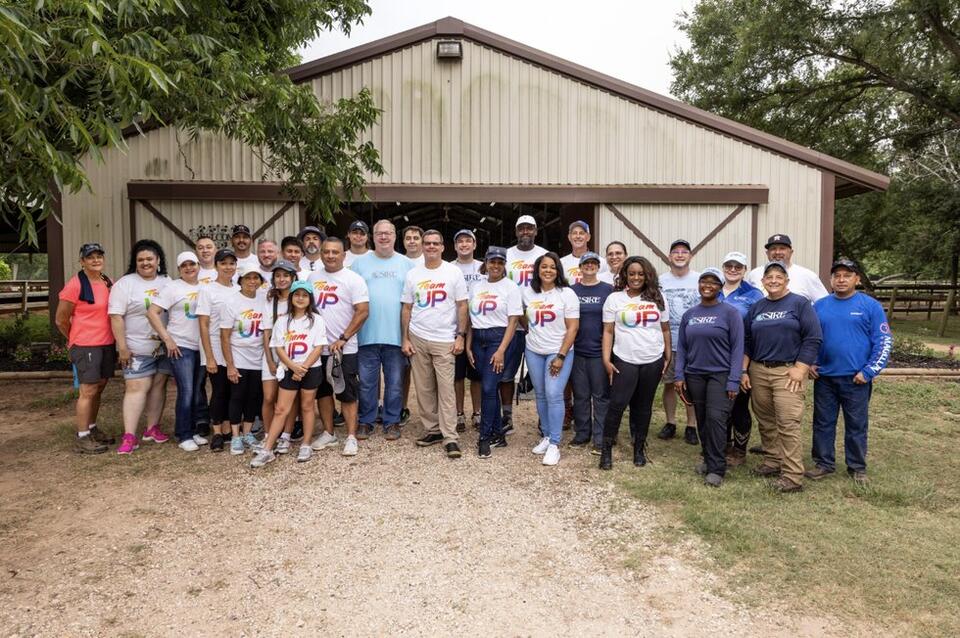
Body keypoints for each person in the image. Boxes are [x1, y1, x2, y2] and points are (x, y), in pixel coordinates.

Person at [807, 259, 893, 484]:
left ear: (857, 279)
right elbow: (811, 338)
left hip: (857, 379)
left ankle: (856, 467)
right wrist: (811, 363)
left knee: (856, 425)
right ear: (831, 280)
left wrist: (869, 371)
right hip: (825, 377)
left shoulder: (870, 306)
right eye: (837, 275)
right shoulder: (821, 306)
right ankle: (824, 463)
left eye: (847, 275)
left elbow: (883, 341)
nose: (841, 279)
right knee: (823, 423)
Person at [741, 261, 823, 493]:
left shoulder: (799, 304)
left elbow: (813, 337)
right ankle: (772, 460)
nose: (774, 280)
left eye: (779, 276)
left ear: (786, 281)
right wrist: (744, 370)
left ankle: (792, 475)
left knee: (787, 422)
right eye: (769, 277)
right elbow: (747, 341)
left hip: (788, 371)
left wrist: (801, 367)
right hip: (759, 370)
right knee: (766, 419)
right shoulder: (757, 307)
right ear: (763, 282)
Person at [674, 267, 744, 487]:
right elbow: (682, 347)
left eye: (713, 282)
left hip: (720, 375)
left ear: (720, 287)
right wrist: (679, 375)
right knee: (702, 418)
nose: (707, 285)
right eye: (704, 281)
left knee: (716, 419)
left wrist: (734, 379)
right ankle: (708, 458)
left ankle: (716, 468)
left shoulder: (730, 313)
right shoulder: (690, 314)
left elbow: (737, 348)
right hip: (694, 374)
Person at [402, 229, 469, 458]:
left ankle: (450, 436)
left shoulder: (453, 272)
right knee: (424, 388)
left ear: (442, 247)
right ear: (422, 247)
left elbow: (462, 305)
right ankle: (432, 429)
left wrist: (460, 335)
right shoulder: (413, 274)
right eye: (427, 243)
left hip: (444, 339)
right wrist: (405, 338)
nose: (431, 247)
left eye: (435, 243)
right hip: (418, 336)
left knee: (446, 389)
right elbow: (407, 307)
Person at [599, 256, 670, 470]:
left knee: (643, 407)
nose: (636, 277)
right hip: (625, 358)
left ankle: (639, 448)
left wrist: (668, 354)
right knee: (617, 405)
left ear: (647, 275)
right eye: (632, 274)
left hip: (652, 359)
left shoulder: (658, 297)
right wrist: (606, 359)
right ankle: (606, 450)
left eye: (640, 273)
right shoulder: (614, 299)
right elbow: (608, 331)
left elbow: (665, 328)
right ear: (625, 276)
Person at [251, 281, 327, 467]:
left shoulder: (316, 320)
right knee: (281, 409)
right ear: (291, 298)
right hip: (288, 369)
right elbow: (278, 347)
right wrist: (293, 367)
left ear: (310, 299)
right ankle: (268, 449)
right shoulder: (283, 320)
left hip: (310, 368)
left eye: (304, 295)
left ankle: (306, 444)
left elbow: (318, 347)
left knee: (307, 406)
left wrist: (303, 368)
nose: (300, 298)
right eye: (297, 295)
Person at [351, 220, 414, 440]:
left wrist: (409, 335)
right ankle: (366, 420)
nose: (384, 237)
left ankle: (392, 421)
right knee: (367, 383)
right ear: (373, 237)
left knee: (395, 383)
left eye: (388, 233)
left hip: (396, 336)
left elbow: (413, 302)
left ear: (395, 237)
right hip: (366, 334)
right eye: (379, 233)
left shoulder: (407, 265)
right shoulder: (359, 264)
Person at [108, 239, 171, 455]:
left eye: (149, 259)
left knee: (158, 386)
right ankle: (129, 435)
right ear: (135, 262)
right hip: (137, 347)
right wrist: (122, 347)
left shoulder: (166, 282)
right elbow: (116, 316)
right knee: (136, 388)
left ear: (158, 260)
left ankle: (152, 428)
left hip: (163, 347)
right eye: (141, 259)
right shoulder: (125, 284)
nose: (145, 263)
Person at [308, 237, 370, 457]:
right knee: (323, 393)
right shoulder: (312, 278)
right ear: (321, 254)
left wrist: (343, 338)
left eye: (335, 252)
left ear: (344, 255)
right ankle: (329, 433)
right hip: (317, 349)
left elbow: (362, 311)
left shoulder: (353, 279)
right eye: (326, 252)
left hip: (344, 348)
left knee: (347, 392)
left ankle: (351, 436)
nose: (330, 256)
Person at [56, 242, 116, 454]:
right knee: (88, 390)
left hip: (106, 343)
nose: (96, 260)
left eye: (99, 256)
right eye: (90, 257)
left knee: (99, 387)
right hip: (86, 344)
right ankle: (82, 437)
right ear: (82, 261)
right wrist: (75, 339)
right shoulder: (75, 285)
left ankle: (91, 428)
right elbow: (61, 319)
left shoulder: (106, 281)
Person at [523, 252, 579, 466]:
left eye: (552, 267)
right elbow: (522, 316)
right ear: (537, 270)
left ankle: (555, 444)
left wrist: (561, 355)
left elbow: (573, 327)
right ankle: (546, 435)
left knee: (554, 393)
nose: (548, 270)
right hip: (534, 350)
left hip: (559, 351)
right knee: (540, 394)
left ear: (558, 271)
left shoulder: (567, 294)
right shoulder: (528, 292)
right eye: (544, 267)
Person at [148, 251, 208, 452]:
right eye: (184, 265)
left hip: (202, 346)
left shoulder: (205, 287)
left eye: (193, 264)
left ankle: (193, 430)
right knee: (186, 390)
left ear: (199, 265)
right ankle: (183, 434)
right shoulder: (172, 287)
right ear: (179, 269)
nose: (189, 268)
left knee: (197, 390)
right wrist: (167, 339)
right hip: (181, 346)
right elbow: (152, 312)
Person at [466, 246, 522, 458]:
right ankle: (499, 433)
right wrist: (469, 344)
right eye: (492, 262)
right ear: (486, 263)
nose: (496, 266)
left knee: (489, 388)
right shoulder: (476, 285)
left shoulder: (510, 287)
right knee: (488, 387)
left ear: (504, 265)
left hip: (498, 339)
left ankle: (484, 437)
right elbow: (471, 319)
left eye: (500, 262)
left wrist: (501, 351)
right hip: (478, 339)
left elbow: (513, 321)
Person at [717, 251, 764, 465]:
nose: (733, 270)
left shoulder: (754, 295)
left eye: (738, 266)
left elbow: (757, 330)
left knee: (738, 405)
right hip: (715, 357)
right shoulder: (713, 290)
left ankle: (739, 450)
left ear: (745, 270)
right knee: (719, 405)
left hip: (742, 358)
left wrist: (746, 366)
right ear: (723, 267)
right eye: (729, 265)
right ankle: (722, 444)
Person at [502, 214, 547, 434]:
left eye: (530, 228)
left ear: (536, 231)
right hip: (509, 324)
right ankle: (507, 417)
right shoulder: (506, 254)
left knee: (539, 377)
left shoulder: (544, 255)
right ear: (516, 231)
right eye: (522, 229)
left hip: (537, 324)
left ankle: (543, 419)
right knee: (506, 374)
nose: (526, 232)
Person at [657, 238, 700, 446]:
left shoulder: (699, 279)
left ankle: (692, 425)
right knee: (669, 384)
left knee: (690, 385)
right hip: (668, 341)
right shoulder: (660, 281)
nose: (680, 255)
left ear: (690, 256)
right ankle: (670, 422)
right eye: (676, 252)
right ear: (669, 256)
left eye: (684, 251)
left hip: (694, 344)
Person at [569, 252, 614, 452]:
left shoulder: (608, 290)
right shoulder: (571, 291)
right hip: (577, 350)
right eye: (585, 263)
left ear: (598, 266)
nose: (589, 266)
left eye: (593, 263)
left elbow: (612, 324)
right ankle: (582, 433)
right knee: (580, 394)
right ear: (580, 267)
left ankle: (600, 436)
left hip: (599, 351)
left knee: (601, 395)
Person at [220, 264, 266, 455]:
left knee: (253, 396)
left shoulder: (263, 300)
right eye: (248, 278)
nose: (252, 281)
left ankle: (247, 433)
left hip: (258, 357)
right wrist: (230, 365)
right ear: (240, 281)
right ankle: (235, 436)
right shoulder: (232, 301)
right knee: (237, 396)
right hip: (238, 356)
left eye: (256, 278)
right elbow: (224, 335)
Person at [196, 248, 238, 452]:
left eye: (231, 263)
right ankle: (218, 432)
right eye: (224, 263)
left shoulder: (237, 289)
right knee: (219, 390)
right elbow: (203, 324)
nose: (228, 267)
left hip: (232, 347)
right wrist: (210, 357)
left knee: (232, 390)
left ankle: (229, 427)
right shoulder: (207, 290)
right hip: (213, 345)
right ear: (216, 266)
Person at [260, 259, 299, 455]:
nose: (281, 279)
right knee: (269, 397)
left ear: (293, 278)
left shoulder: (299, 297)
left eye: (285, 275)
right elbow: (266, 332)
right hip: (273, 355)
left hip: (292, 355)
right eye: (278, 275)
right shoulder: (270, 300)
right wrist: (269, 360)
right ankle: (269, 434)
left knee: (289, 398)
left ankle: (286, 435)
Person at [451, 228, 483, 431]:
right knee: (457, 375)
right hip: (455, 328)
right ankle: (459, 413)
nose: (464, 244)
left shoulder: (483, 268)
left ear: (474, 244)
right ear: (455, 246)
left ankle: (477, 412)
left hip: (479, 327)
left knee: (477, 375)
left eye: (468, 241)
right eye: (460, 241)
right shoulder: (449, 268)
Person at [746, 234, 829, 302]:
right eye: (773, 249)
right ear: (767, 253)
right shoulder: (755, 274)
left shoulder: (807, 275)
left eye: (782, 248)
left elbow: (824, 304)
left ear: (791, 252)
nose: (777, 252)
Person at [560, 220, 609, 285]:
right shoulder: (561, 263)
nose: (578, 236)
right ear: (569, 237)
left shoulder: (601, 262)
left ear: (588, 237)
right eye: (574, 233)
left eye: (581, 233)